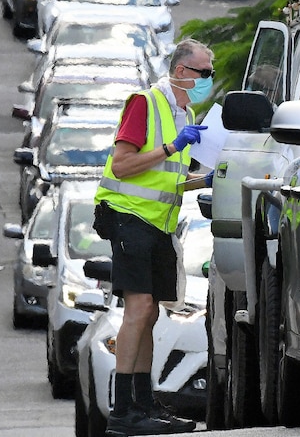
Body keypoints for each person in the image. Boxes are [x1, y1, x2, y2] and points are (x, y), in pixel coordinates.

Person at [95, 39, 215, 436]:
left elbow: (168, 183)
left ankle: (144, 406)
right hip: (128, 217)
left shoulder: (186, 111)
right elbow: (124, 165)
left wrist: (206, 179)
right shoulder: (145, 103)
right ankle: (122, 411)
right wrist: (170, 147)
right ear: (182, 72)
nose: (208, 80)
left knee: (151, 311)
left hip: (158, 224)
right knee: (140, 307)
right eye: (205, 73)